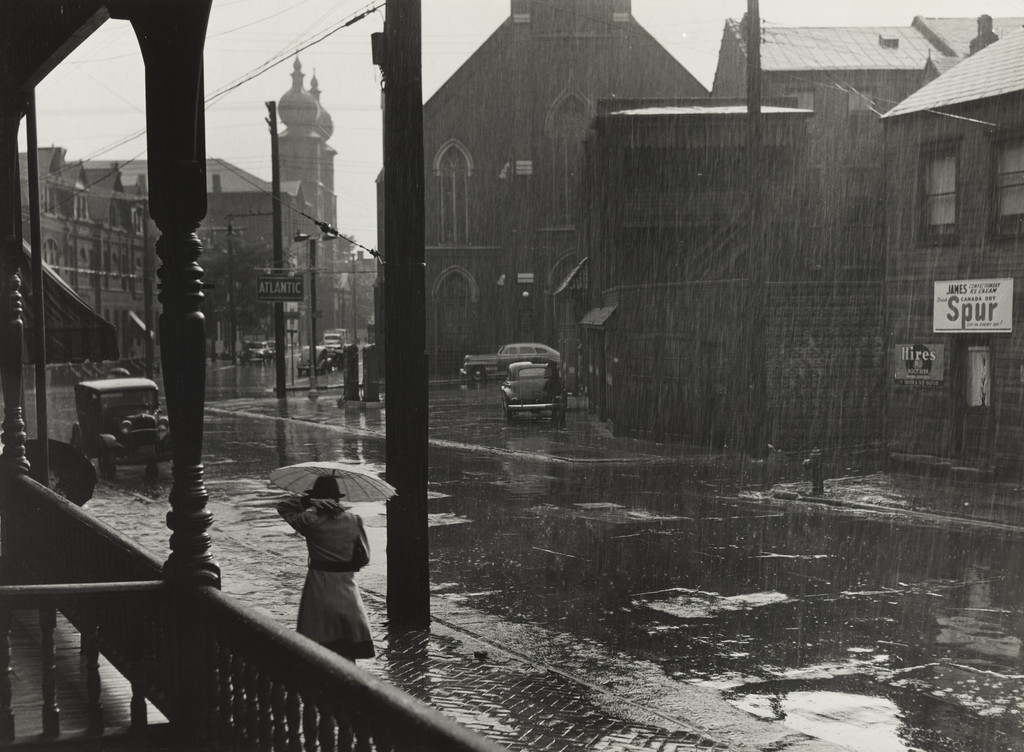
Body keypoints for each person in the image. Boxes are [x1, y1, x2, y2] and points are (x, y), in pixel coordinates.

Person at [277, 476, 375, 660]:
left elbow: (283, 506)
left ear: (318, 498)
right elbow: (364, 558)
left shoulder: (308, 521)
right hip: (346, 590)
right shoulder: (354, 521)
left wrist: (308, 502)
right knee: (347, 652)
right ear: (337, 497)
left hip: (317, 589)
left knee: (317, 651)